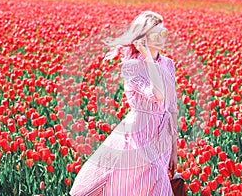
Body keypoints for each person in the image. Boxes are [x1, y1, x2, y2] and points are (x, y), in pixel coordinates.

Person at [69, 10, 179, 196]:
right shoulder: (131, 67)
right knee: (133, 183)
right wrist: (149, 60)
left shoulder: (168, 64)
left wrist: (174, 148)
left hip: (163, 136)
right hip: (139, 134)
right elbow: (157, 95)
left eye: (163, 32)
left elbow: (172, 106)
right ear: (142, 38)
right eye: (155, 33)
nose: (161, 37)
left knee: (149, 185)